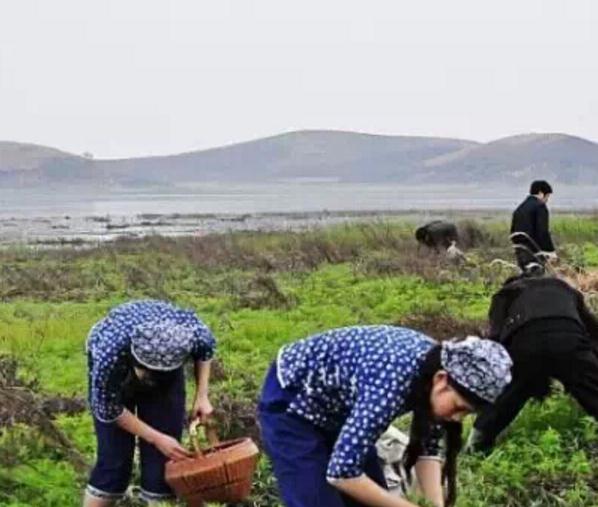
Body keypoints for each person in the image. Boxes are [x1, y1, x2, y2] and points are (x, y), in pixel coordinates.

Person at [258, 325, 512, 507]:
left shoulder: (433, 373)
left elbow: (428, 449)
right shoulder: (391, 381)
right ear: (441, 381)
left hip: (340, 407)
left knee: (372, 493)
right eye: (459, 408)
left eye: (467, 413)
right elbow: (342, 473)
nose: (457, 419)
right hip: (292, 402)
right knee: (315, 497)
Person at [83, 300, 216, 506]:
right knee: (113, 461)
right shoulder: (109, 351)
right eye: (149, 374)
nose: (153, 380)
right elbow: (110, 408)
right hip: (117, 374)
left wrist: (202, 395)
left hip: (165, 373)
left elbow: (205, 351)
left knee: (162, 465)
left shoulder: (191, 332)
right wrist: (155, 438)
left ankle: (157, 499)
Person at [468, 275, 598, 453]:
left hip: (526, 342)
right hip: (569, 339)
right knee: (591, 387)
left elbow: (496, 336)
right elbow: (593, 330)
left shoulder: (506, 293)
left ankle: (477, 444)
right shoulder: (565, 288)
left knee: (511, 394)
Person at [510, 180, 556, 272]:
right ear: (541, 193)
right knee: (537, 281)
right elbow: (542, 232)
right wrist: (551, 252)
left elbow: (513, 232)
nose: (547, 200)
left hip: (520, 252)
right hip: (535, 253)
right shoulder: (540, 207)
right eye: (547, 196)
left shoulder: (520, 208)